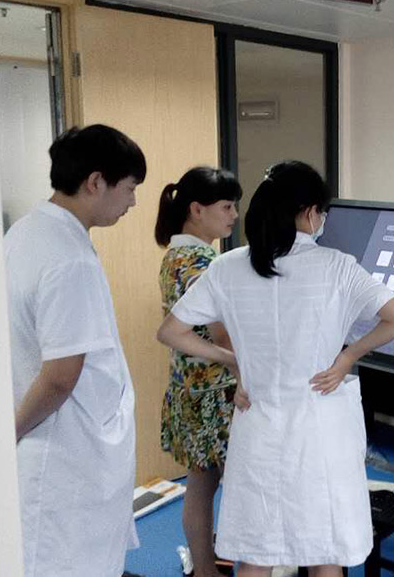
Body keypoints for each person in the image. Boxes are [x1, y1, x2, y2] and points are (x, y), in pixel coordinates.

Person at [156, 161, 394, 577]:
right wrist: (347, 357)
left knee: (258, 552)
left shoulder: (227, 266)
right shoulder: (337, 266)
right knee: (325, 551)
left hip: (258, 427)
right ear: (310, 213)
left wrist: (236, 361)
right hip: (319, 428)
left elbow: (171, 332)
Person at [4, 124, 145, 576]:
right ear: (95, 182)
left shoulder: (24, 234)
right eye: (129, 189)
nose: (132, 203)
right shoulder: (69, 258)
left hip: (57, 445)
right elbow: (61, 376)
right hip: (64, 451)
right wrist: (8, 433)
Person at [154, 166, 249, 577]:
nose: (234, 216)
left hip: (187, 390)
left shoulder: (174, 256)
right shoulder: (203, 261)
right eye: (226, 207)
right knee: (241, 489)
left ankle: (206, 569)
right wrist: (242, 363)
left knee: (199, 485)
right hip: (216, 396)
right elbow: (222, 333)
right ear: (196, 209)